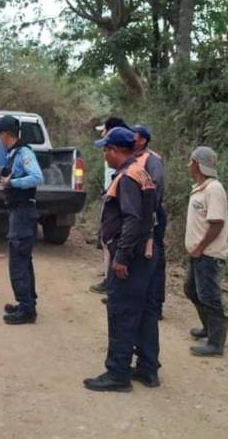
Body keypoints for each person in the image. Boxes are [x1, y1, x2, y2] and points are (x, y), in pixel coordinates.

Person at [84, 127, 159, 392]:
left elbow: (132, 219)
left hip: (132, 257)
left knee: (121, 313)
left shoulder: (127, 177)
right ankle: (148, 369)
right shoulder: (142, 172)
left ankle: (117, 373)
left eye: (105, 150)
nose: (104, 155)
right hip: (147, 254)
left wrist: (122, 257)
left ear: (115, 150)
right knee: (143, 313)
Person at [0, 116, 44, 325]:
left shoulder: (24, 152)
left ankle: (26, 310)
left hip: (24, 212)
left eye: (0, 135)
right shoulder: (13, 153)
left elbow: (36, 177)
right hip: (19, 211)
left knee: (18, 259)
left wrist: (12, 182)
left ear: (5, 135)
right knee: (23, 258)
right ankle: (27, 304)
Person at [184, 146, 228, 357]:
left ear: (197, 164)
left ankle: (216, 343)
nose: (189, 165)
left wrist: (200, 247)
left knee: (210, 296)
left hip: (209, 253)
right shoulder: (200, 188)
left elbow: (217, 222)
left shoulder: (214, 189)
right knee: (192, 290)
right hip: (198, 252)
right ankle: (208, 328)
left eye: (191, 161)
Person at [90, 117, 131, 296]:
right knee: (107, 242)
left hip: (114, 201)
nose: (102, 133)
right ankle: (110, 280)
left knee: (112, 243)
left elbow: (134, 218)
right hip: (110, 199)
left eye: (105, 129)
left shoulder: (129, 173)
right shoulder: (119, 162)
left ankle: (113, 282)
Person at [132, 125, 167, 320]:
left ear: (143, 140)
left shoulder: (152, 160)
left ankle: (155, 304)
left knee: (154, 259)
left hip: (152, 215)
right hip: (138, 216)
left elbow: (156, 187)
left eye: (133, 135)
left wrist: (147, 214)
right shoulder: (133, 157)